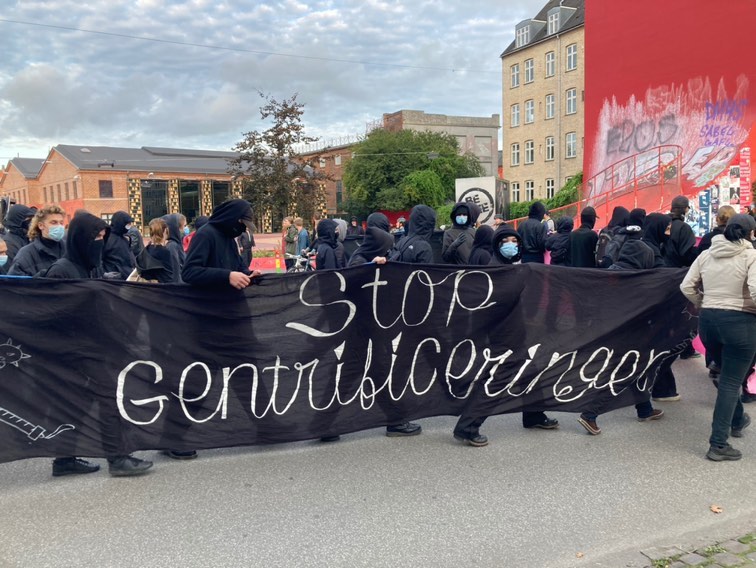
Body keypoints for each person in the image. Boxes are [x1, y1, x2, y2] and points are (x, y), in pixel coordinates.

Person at [46, 212, 153, 476]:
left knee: (77, 405)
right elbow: (54, 313)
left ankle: (64, 458)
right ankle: (118, 458)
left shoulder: (89, 265)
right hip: (76, 350)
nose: (99, 242)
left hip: (91, 345)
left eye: (102, 237)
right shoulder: (62, 269)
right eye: (95, 237)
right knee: (108, 400)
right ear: (81, 238)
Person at [453, 224, 559, 445]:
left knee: (530, 369)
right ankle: (468, 425)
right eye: (505, 242)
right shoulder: (497, 269)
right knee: (499, 378)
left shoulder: (512, 267)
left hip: (516, 331)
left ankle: (534, 414)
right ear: (496, 245)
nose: (511, 246)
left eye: (514, 242)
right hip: (502, 334)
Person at [680, 214, 756, 461]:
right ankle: (718, 444)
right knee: (731, 380)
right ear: (750, 234)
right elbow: (755, 289)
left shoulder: (707, 254)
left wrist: (706, 303)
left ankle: (737, 419)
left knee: (726, 375)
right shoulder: (750, 256)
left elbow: (686, 286)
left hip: (709, 321)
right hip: (740, 322)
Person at [577, 238, 662, 434]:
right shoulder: (636, 279)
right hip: (629, 334)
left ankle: (644, 409)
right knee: (623, 373)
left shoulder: (610, 272)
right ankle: (590, 414)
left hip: (607, 330)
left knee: (639, 370)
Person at [8, 205, 66, 277]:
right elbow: (16, 283)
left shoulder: (70, 250)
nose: (59, 226)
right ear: (41, 225)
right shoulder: (26, 254)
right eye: (54, 222)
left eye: (61, 223)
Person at [134, 218, 178, 283]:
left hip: (148, 290)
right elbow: (168, 277)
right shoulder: (165, 252)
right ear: (165, 231)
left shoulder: (146, 250)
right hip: (161, 290)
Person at [102, 211, 136, 280]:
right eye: (127, 224)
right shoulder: (107, 239)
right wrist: (103, 274)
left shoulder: (124, 238)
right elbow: (99, 260)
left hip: (126, 277)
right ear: (121, 223)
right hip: (114, 280)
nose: (129, 226)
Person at [162, 213, 187, 281]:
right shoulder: (172, 246)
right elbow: (175, 273)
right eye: (184, 226)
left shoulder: (177, 243)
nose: (185, 229)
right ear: (176, 228)